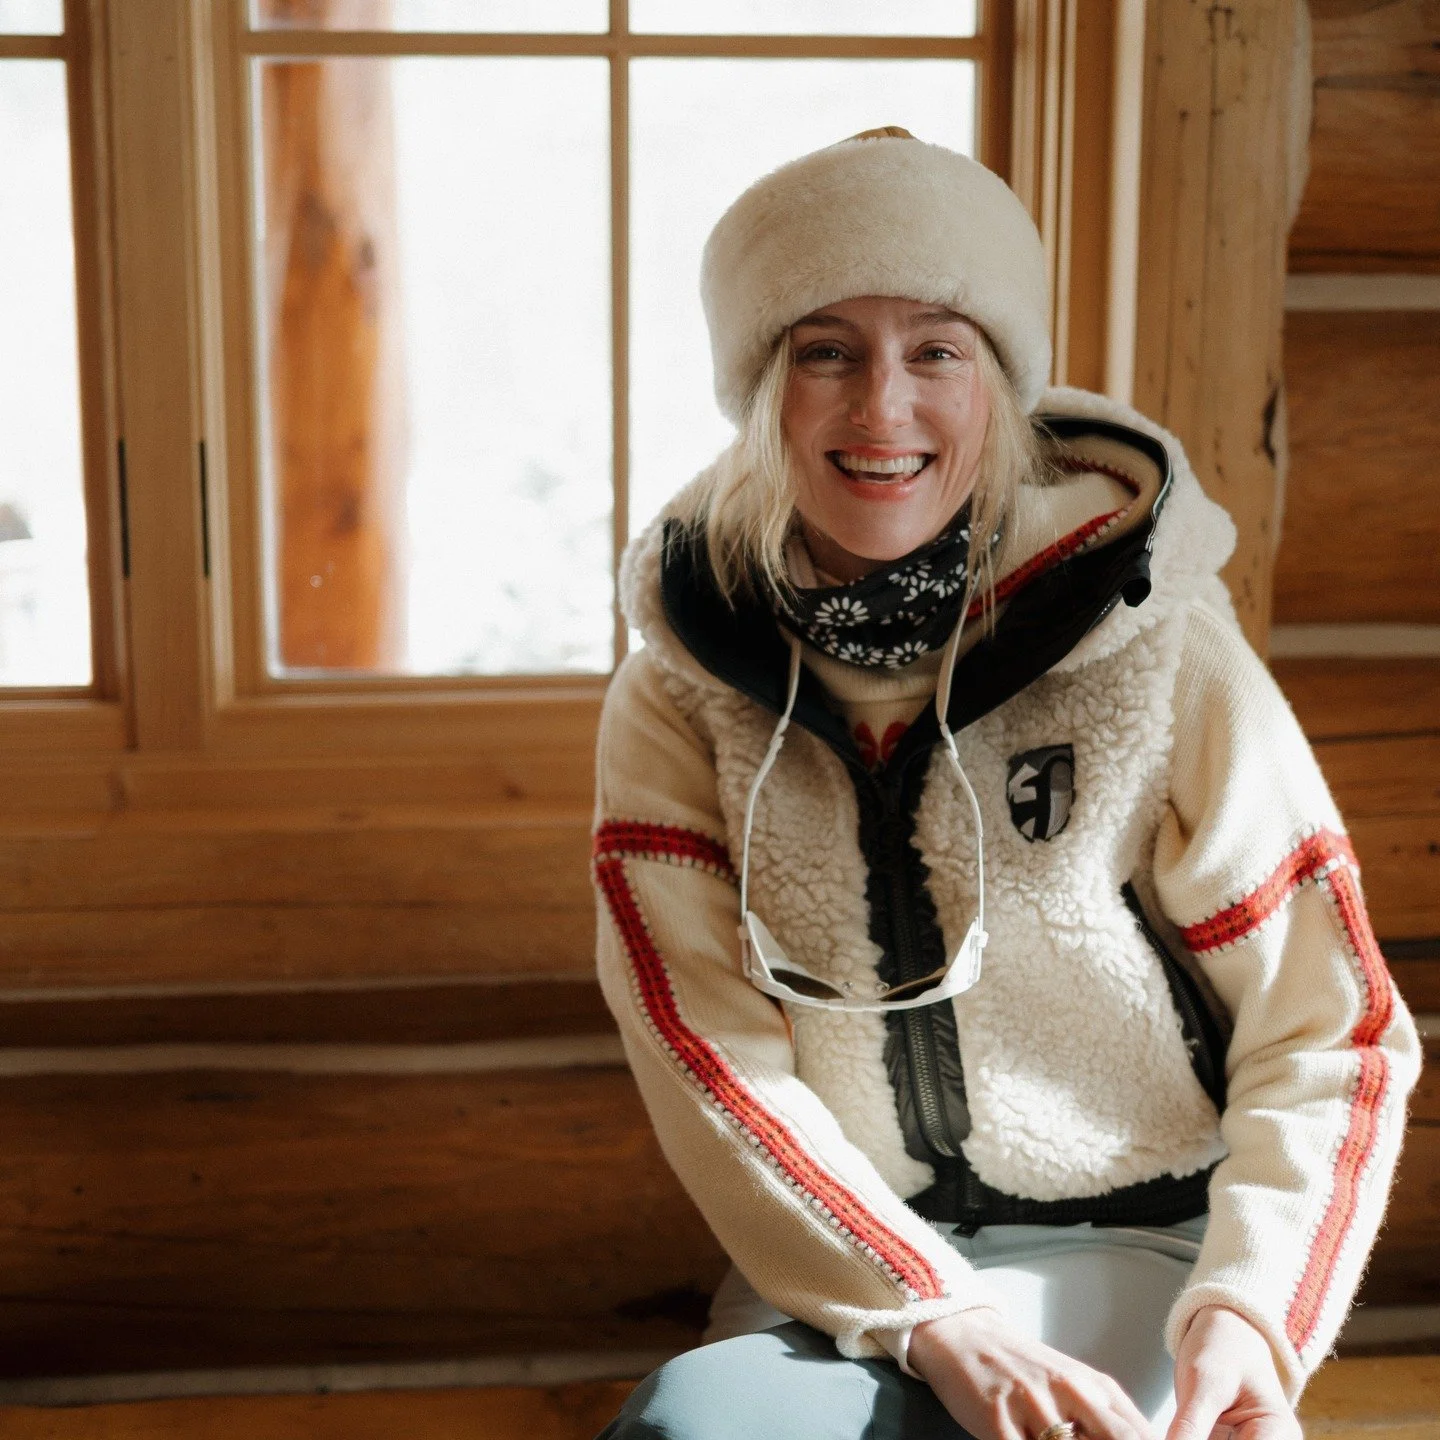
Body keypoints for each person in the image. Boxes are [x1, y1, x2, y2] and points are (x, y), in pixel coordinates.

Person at [590, 129, 1419, 1440]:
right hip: (842, 1270)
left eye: (937, 348)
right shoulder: (684, 690)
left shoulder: (1159, 647)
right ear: (761, 387)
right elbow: (709, 1056)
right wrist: (930, 1311)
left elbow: (1331, 1029)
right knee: (687, 1430)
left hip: (1154, 1255)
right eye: (826, 351)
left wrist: (1252, 1311)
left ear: (1001, 381)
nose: (883, 409)